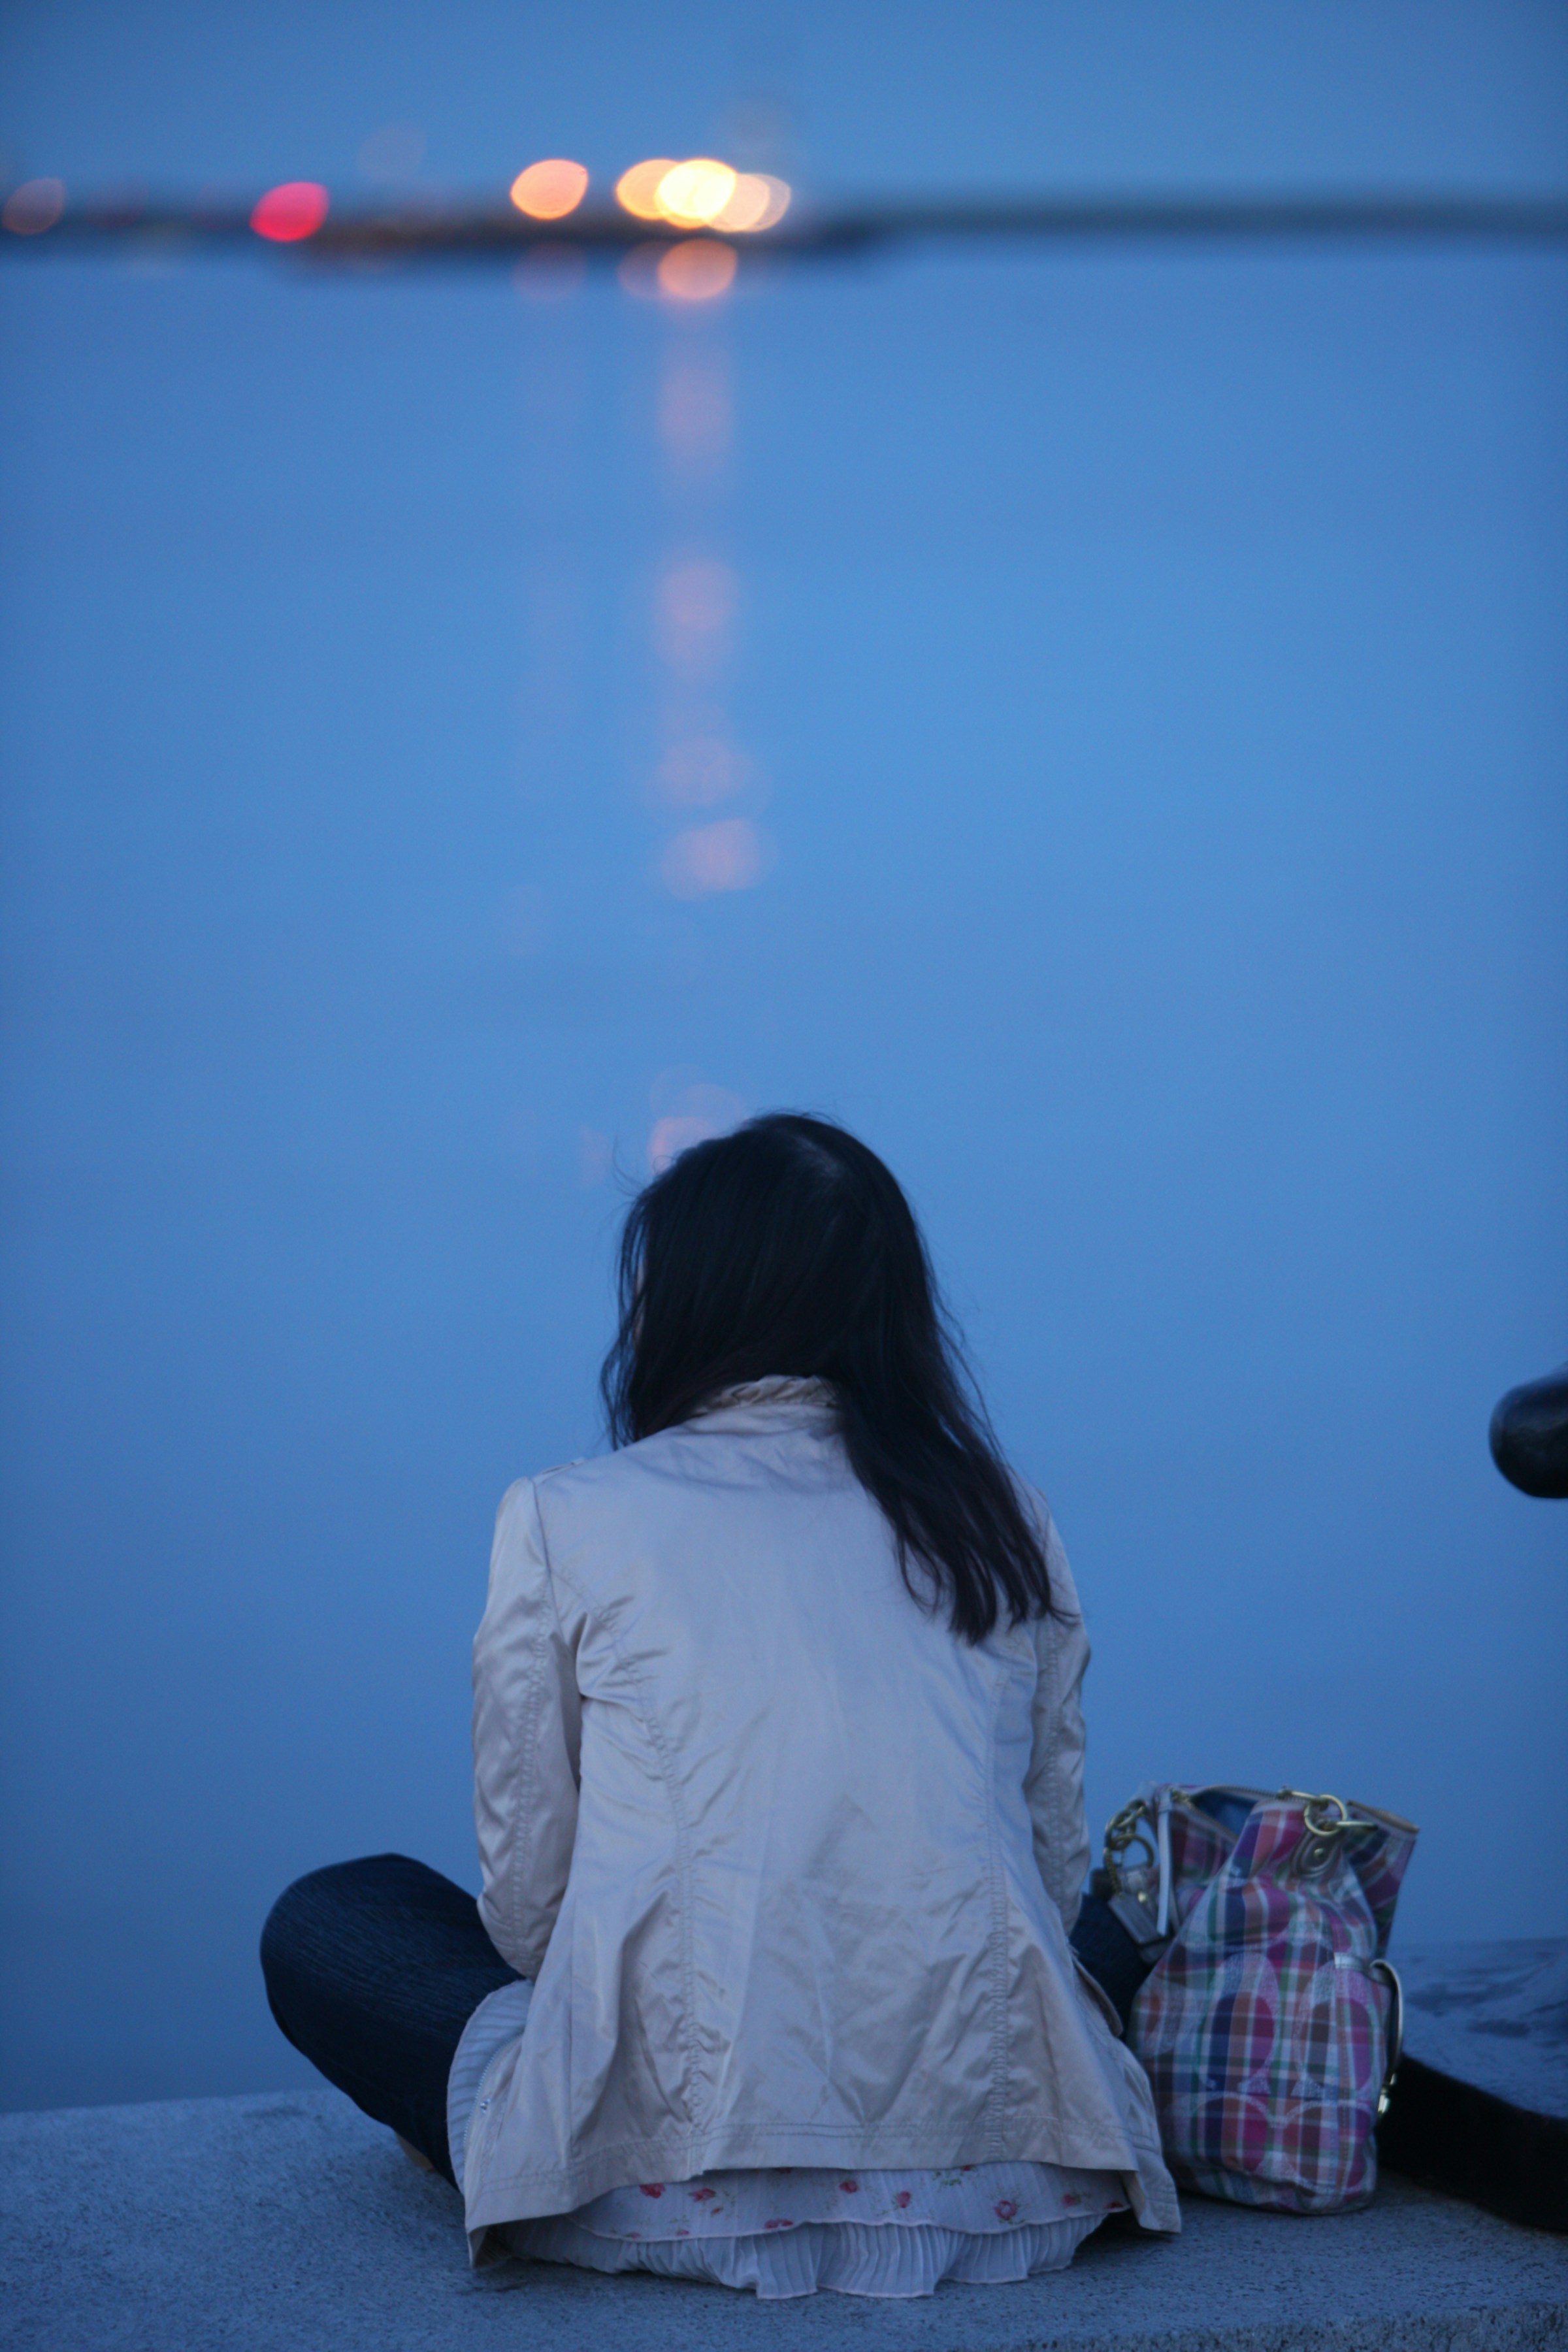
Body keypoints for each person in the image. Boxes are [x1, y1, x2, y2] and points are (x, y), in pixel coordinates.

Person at [261, 1113, 1179, 2296]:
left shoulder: (568, 1516)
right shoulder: (1003, 1517)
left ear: (691, 1303)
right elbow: (1047, 1883)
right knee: (1113, 1910)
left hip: (662, 2182)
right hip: (1011, 2177)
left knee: (337, 1916)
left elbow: (531, 1910)